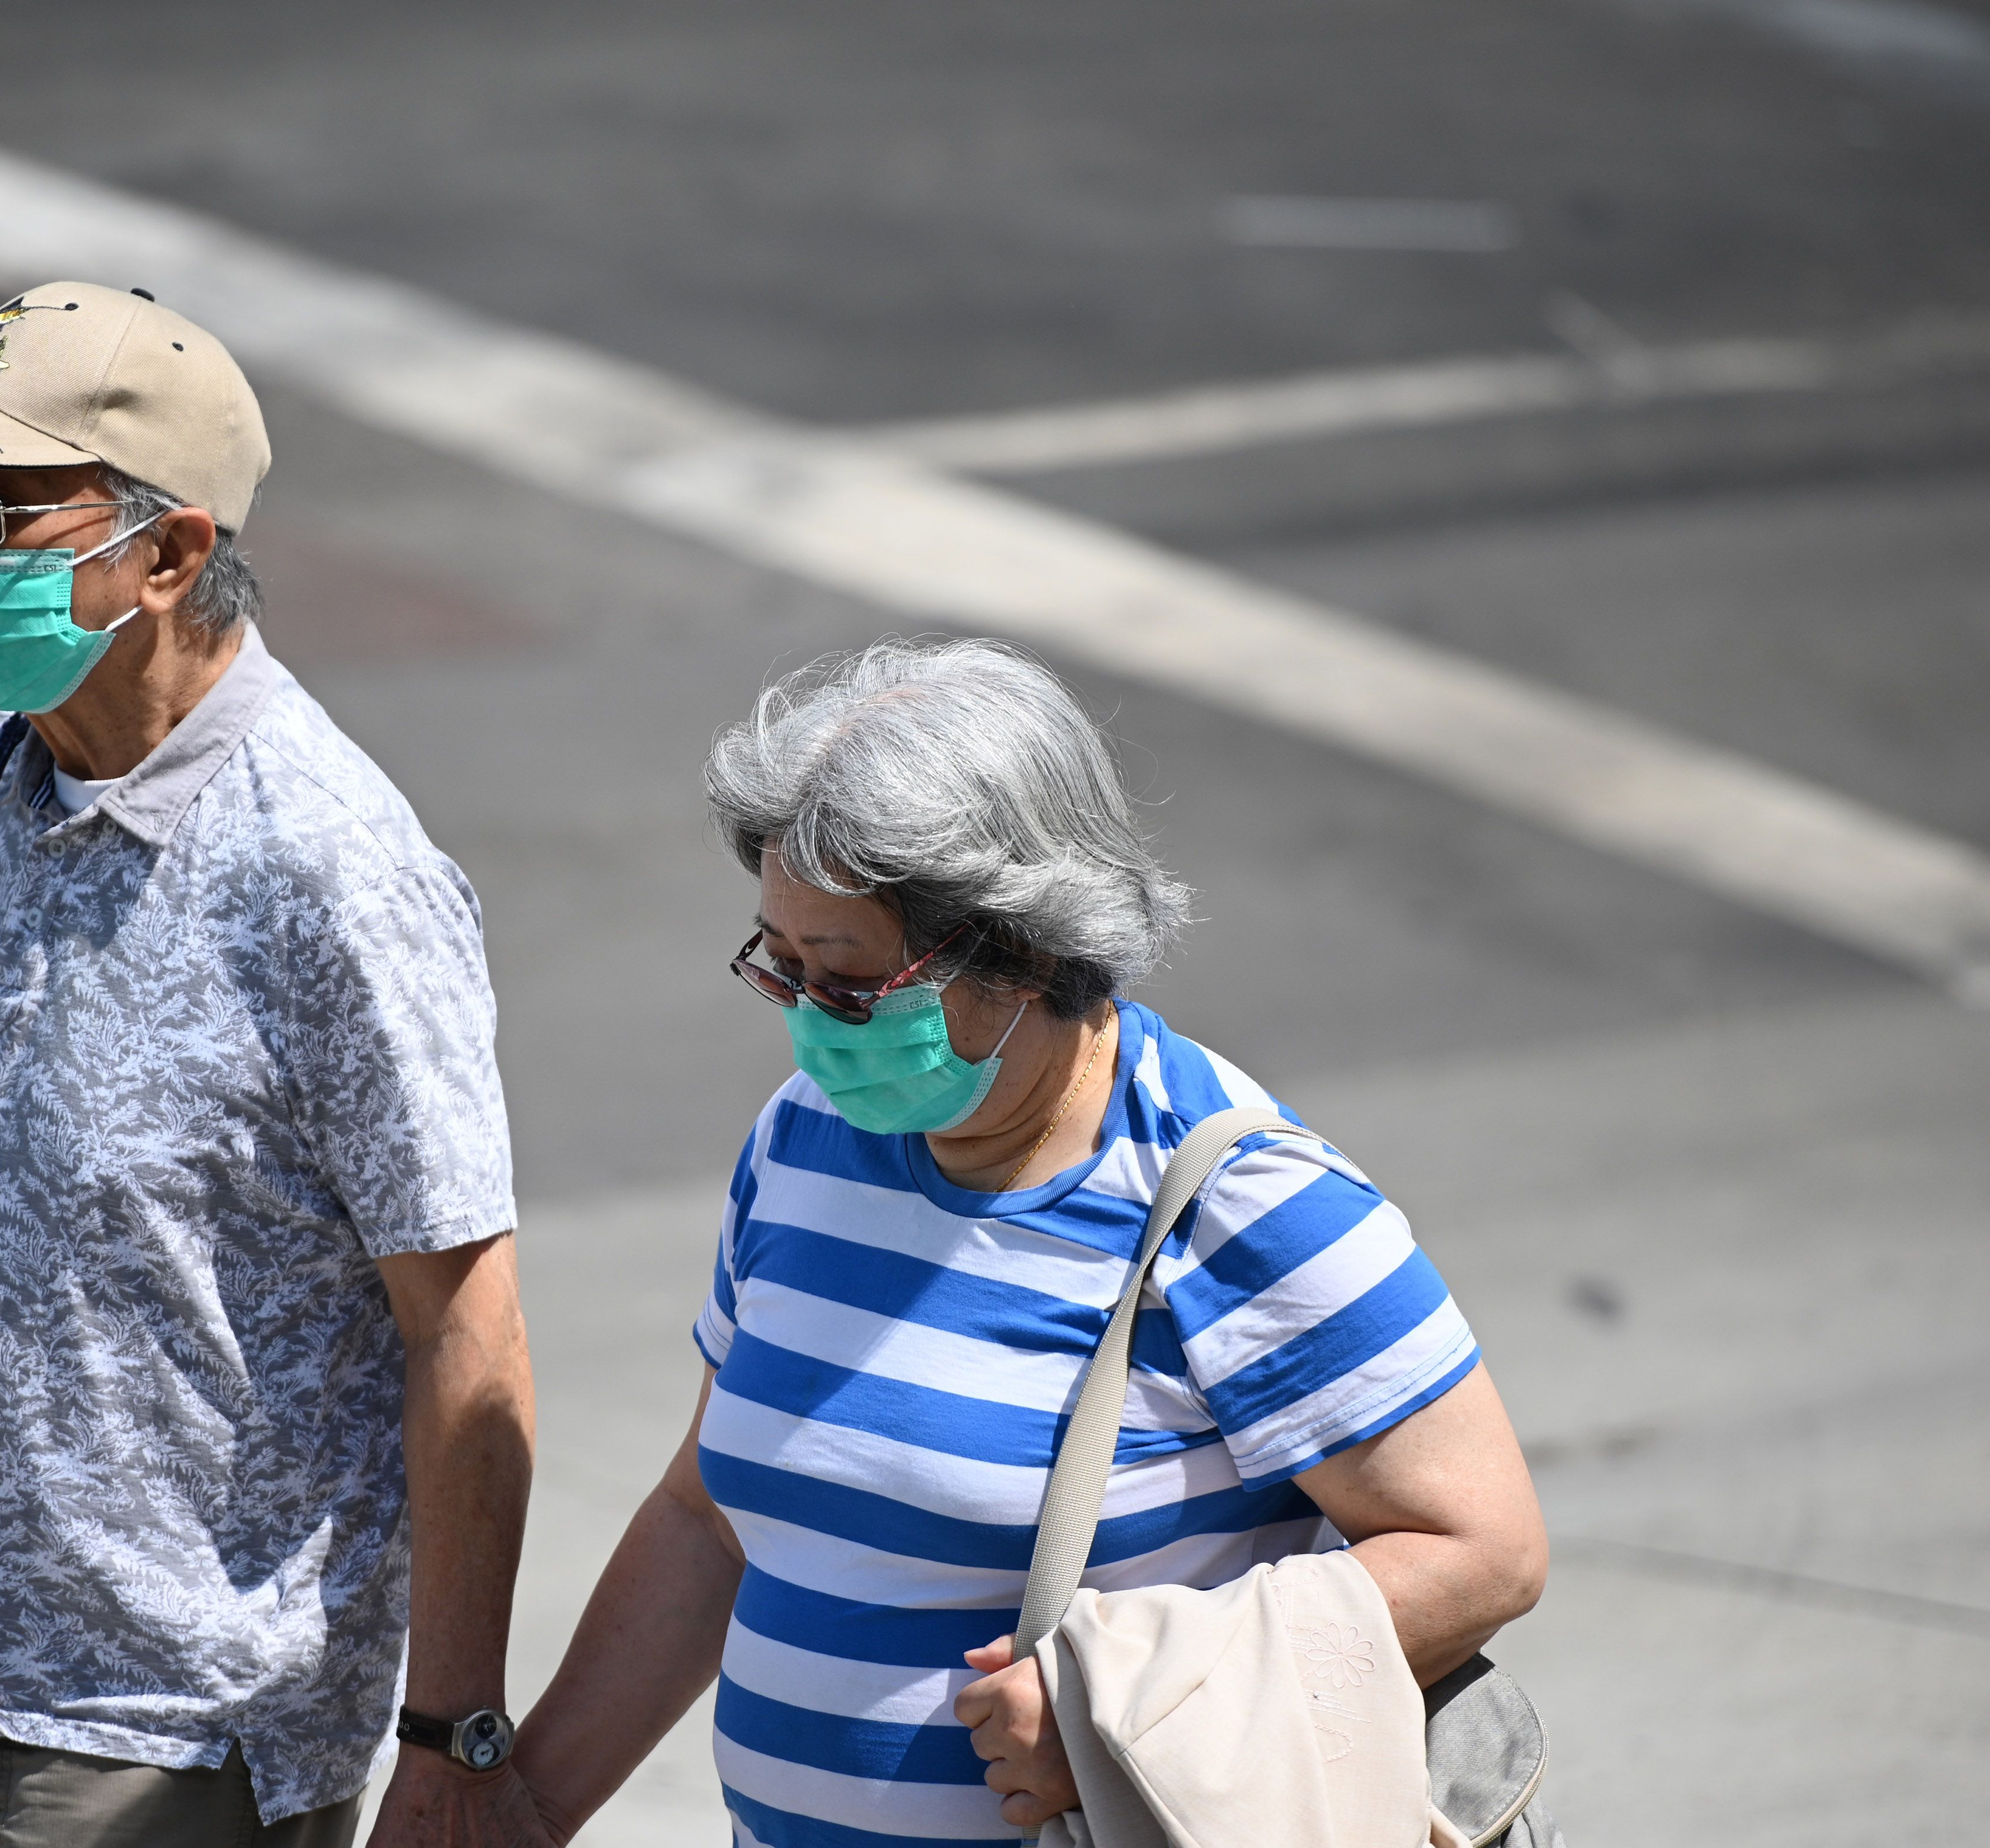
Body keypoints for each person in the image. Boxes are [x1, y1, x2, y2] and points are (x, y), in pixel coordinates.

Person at [506, 638, 1547, 1847]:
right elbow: (708, 1514)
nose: (807, 1026)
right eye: (776, 967)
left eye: (846, 983)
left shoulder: (1241, 1198)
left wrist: (1124, 1707)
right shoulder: (801, 1145)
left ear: (1028, 947)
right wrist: (517, 1810)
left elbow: (1485, 1551)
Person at [0, 282, 545, 1848]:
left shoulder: (331, 870)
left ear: (171, 552)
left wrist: (453, 1740)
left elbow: (466, 1336)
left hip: (162, 1745)